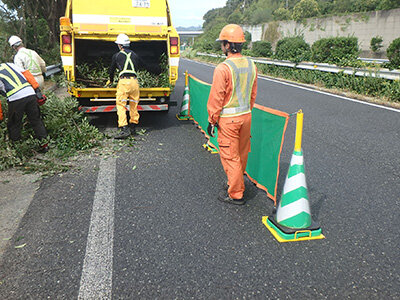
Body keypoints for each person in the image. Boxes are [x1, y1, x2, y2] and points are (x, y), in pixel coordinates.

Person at [207, 24, 258, 205]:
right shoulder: (252, 65)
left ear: (228, 45)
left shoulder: (223, 68)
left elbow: (217, 97)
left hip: (229, 120)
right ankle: (234, 182)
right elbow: (252, 94)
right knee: (242, 154)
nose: (222, 46)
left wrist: (212, 119)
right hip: (246, 116)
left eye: (222, 43)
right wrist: (246, 110)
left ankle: (236, 193)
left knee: (231, 156)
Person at [0, 62, 48, 152]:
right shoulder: (8, 64)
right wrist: (37, 90)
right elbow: (26, 73)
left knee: (14, 124)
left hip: (15, 98)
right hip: (30, 92)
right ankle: (44, 145)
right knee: (36, 120)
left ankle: (17, 148)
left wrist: (0, 117)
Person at [107, 33, 141, 139]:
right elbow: (139, 66)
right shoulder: (135, 55)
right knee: (134, 104)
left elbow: (111, 70)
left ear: (120, 45)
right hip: (135, 82)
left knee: (121, 105)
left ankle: (124, 129)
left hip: (124, 82)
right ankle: (133, 128)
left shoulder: (117, 55)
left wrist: (111, 80)